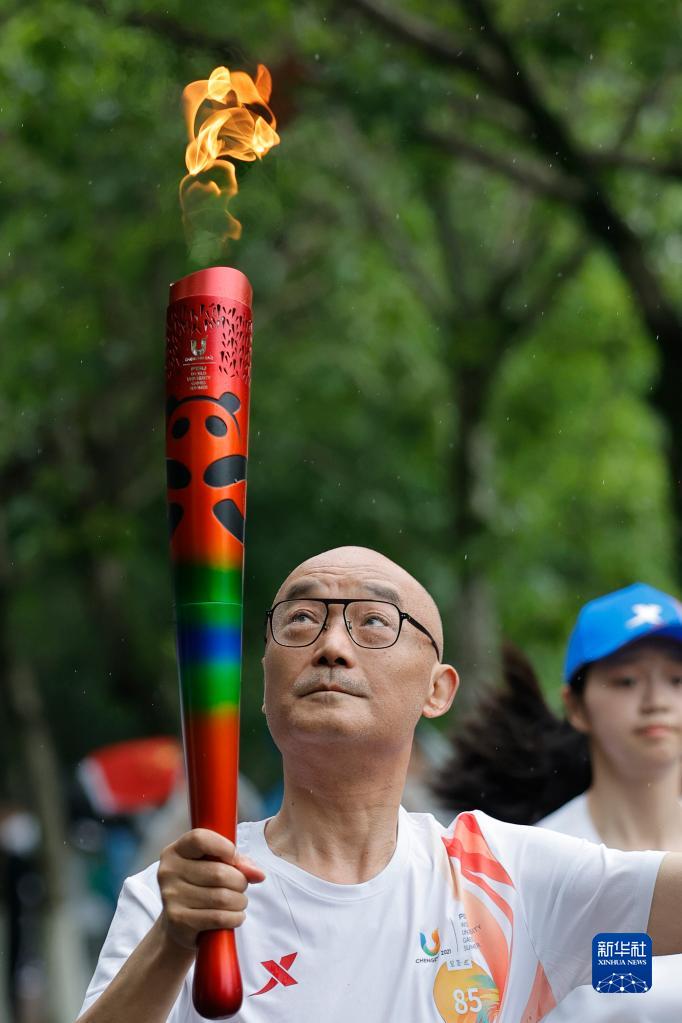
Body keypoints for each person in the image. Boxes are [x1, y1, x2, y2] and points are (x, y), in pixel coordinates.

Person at [78, 552, 682, 1023]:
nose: (332, 647)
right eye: (301, 620)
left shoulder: (509, 878)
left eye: (373, 621)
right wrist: (171, 944)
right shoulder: (179, 896)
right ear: (263, 681)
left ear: (438, 690)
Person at [435, 581, 682, 1021]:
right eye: (626, 680)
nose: (656, 701)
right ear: (577, 707)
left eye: (677, 680)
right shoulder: (533, 869)